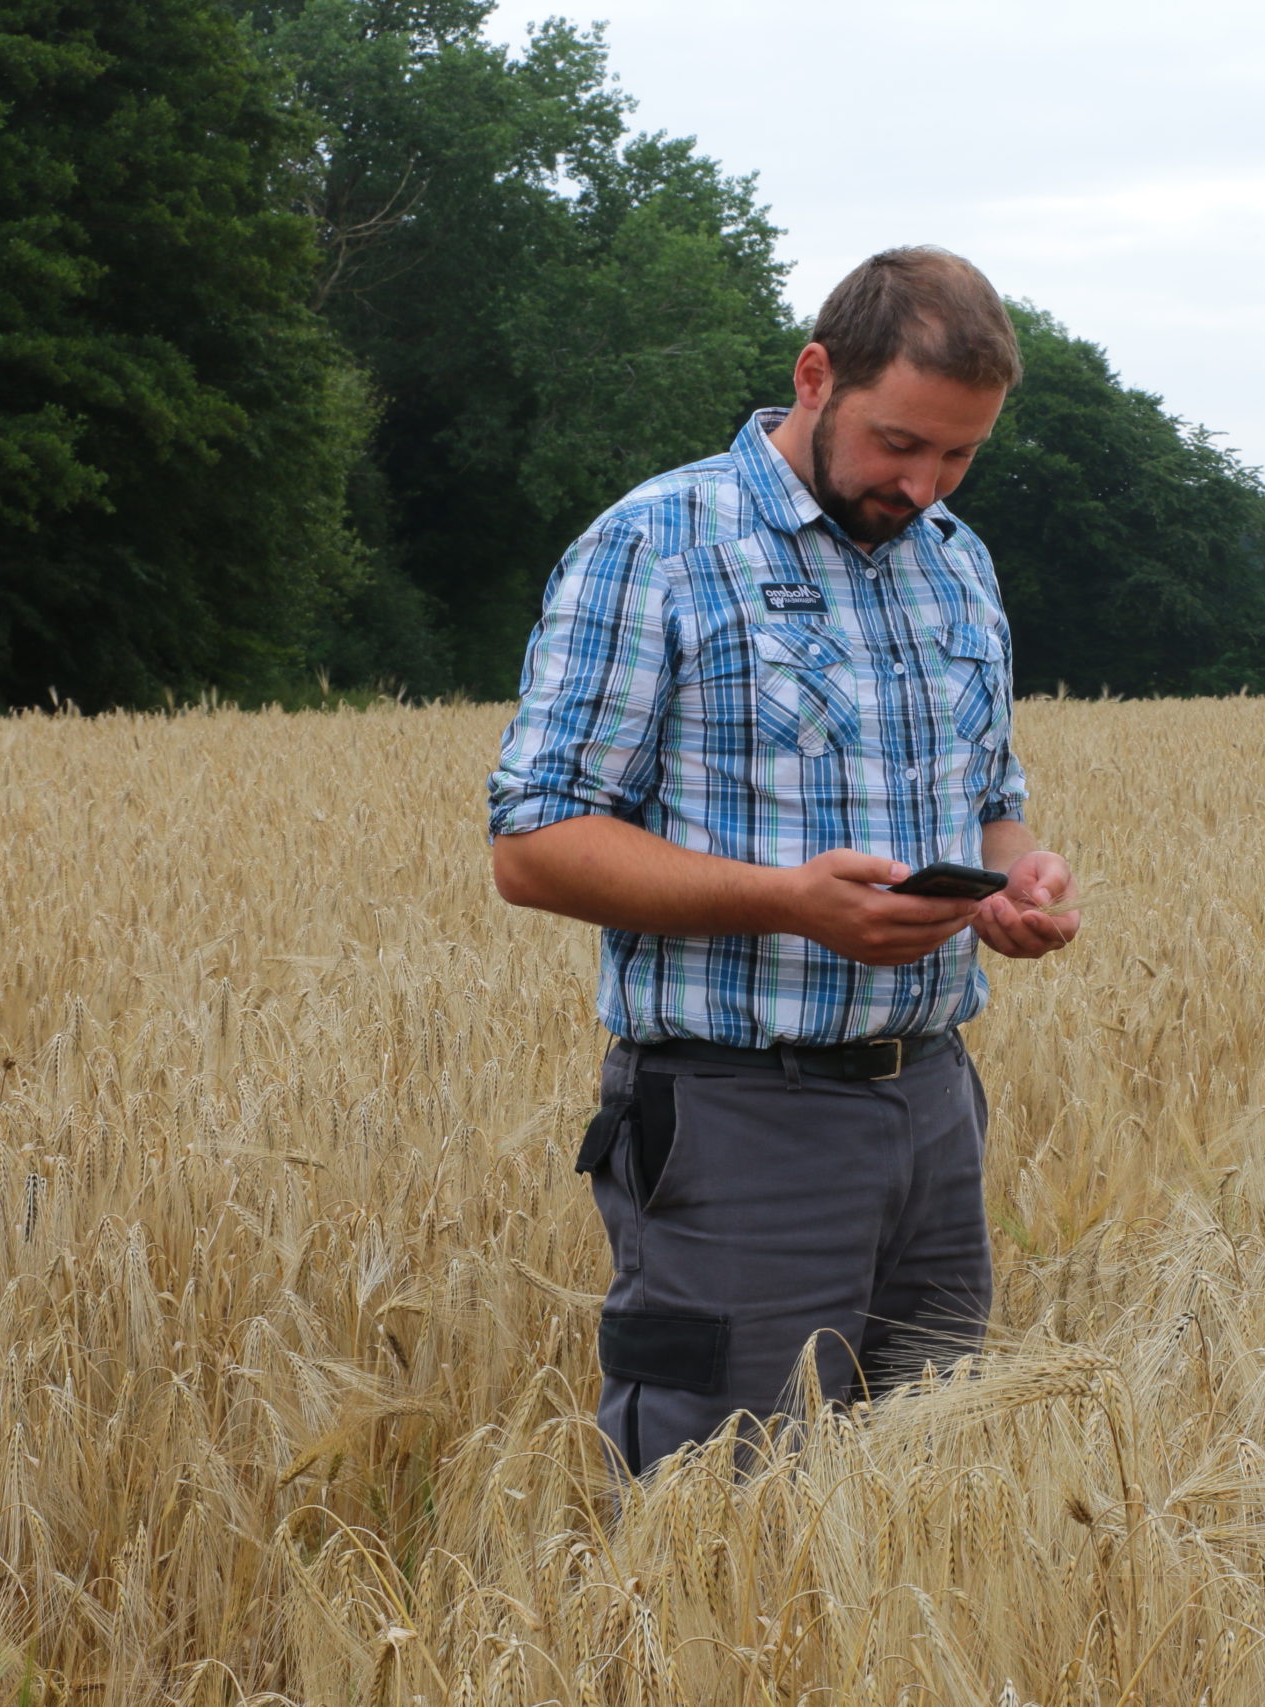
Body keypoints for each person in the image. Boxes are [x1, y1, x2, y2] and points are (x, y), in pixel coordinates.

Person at [486, 246, 1080, 1477]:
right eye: (899, 443)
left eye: (959, 455)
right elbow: (534, 843)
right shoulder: (658, 544)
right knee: (718, 1526)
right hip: (735, 1118)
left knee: (925, 1512)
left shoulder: (957, 562)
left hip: (932, 1112)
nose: (923, 485)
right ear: (816, 376)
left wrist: (1016, 885)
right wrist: (790, 908)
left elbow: (991, 802)